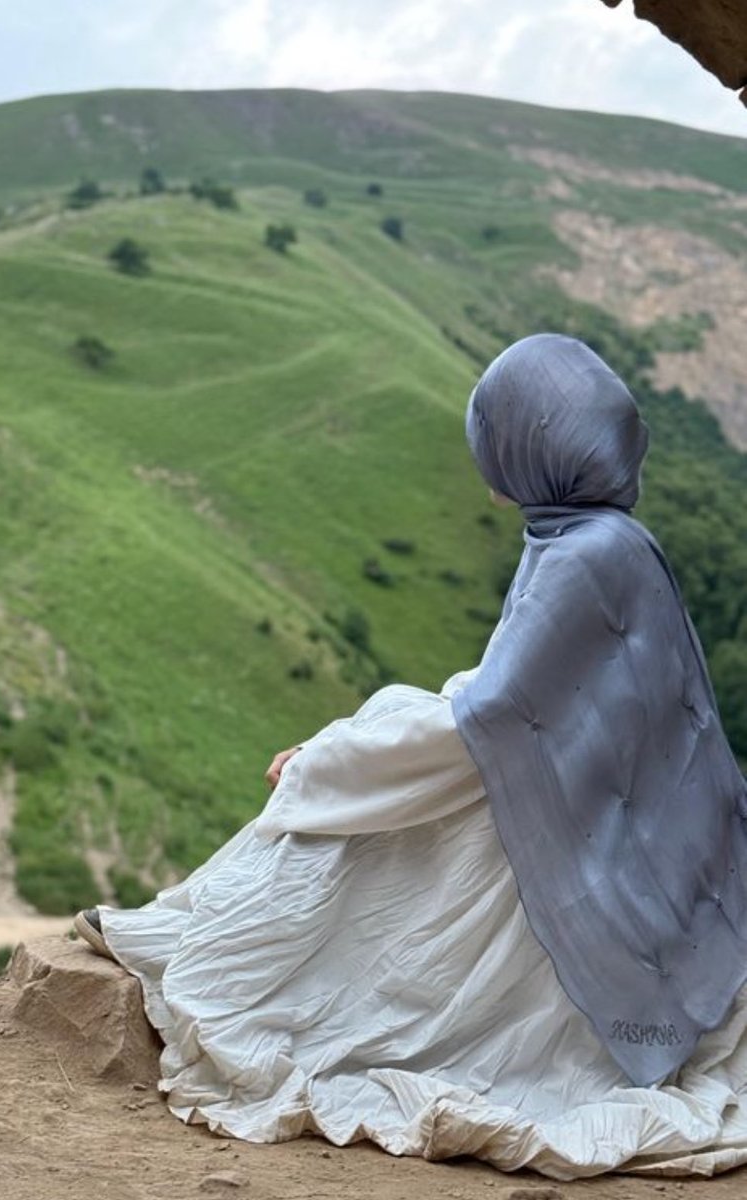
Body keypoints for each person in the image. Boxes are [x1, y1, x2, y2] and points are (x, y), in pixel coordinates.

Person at [75, 334, 747, 1178]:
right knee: (387, 718)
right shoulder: (599, 538)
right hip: (634, 836)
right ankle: (207, 929)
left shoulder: (583, 555)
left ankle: (221, 950)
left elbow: (491, 715)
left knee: (350, 789)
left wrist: (324, 760)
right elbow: (525, 690)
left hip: (593, 853)